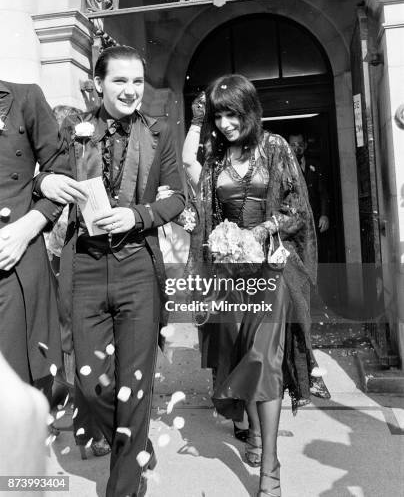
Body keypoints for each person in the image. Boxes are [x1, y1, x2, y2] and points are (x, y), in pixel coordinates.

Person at [38, 46, 185, 497]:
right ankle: (136, 441)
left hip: (137, 266)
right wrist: (47, 182)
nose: (130, 90)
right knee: (90, 382)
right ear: (98, 83)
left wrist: (139, 215)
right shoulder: (73, 132)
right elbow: (46, 178)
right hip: (84, 264)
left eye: (137, 81)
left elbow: (177, 198)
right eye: (120, 81)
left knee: (134, 385)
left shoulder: (160, 133)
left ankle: (124, 486)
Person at [184, 75, 317, 497]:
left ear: (250, 110)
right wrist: (200, 230)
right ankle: (255, 436)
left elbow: (296, 209)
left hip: (272, 272)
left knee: (264, 357)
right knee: (242, 354)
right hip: (229, 278)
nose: (225, 123)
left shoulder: (274, 147)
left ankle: (271, 469)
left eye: (232, 113)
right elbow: (205, 212)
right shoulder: (216, 156)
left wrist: (259, 232)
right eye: (219, 115)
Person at [0, 79, 83, 392]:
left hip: (13, 256)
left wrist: (28, 226)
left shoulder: (24, 97)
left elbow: (62, 169)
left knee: (14, 380)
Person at [47, 105, 111, 460]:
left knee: (71, 344)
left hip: (62, 265)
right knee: (83, 347)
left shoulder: (55, 175)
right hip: (72, 265)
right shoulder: (73, 176)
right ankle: (92, 429)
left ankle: (81, 424)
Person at [288, 132, 331, 399]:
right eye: (293, 144)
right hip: (285, 252)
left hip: (306, 241)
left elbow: (322, 194)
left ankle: (306, 375)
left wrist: (323, 214)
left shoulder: (311, 168)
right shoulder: (281, 176)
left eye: (300, 143)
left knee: (301, 314)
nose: (297, 148)